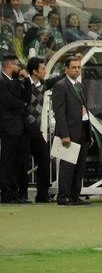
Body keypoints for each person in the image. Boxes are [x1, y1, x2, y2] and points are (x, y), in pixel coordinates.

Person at [51, 55, 93, 205]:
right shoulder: (61, 86)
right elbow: (59, 112)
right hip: (69, 132)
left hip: (83, 130)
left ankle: (75, 195)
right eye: (73, 67)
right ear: (66, 69)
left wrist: (90, 132)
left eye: (78, 67)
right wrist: (64, 134)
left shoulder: (80, 86)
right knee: (68, 166)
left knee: (80, 166)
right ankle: (63, 196)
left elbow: (85, 111)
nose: (76, 70)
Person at [1, 54, 31, 202]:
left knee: (17, 161)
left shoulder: (16, 81)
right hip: (8, 127)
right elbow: (8, 101)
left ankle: (15, 192)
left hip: (19, 127)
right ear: (8, 65)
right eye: (16, 64)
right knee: (8, 161)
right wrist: (22, 104)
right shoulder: (1, 82)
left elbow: (27, 98)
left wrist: (26, 80)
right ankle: (6, 193)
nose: (19, 67)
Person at [23, 57, 51, 202]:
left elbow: (58, 78)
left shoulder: (44, 85)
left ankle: (43, 195)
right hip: (23, 130)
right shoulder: (23, 84)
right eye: (42, 69)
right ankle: (20, 195)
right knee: (21, 163)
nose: (45, 71)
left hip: (35, 131)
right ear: (34, 71)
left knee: (45, 160)